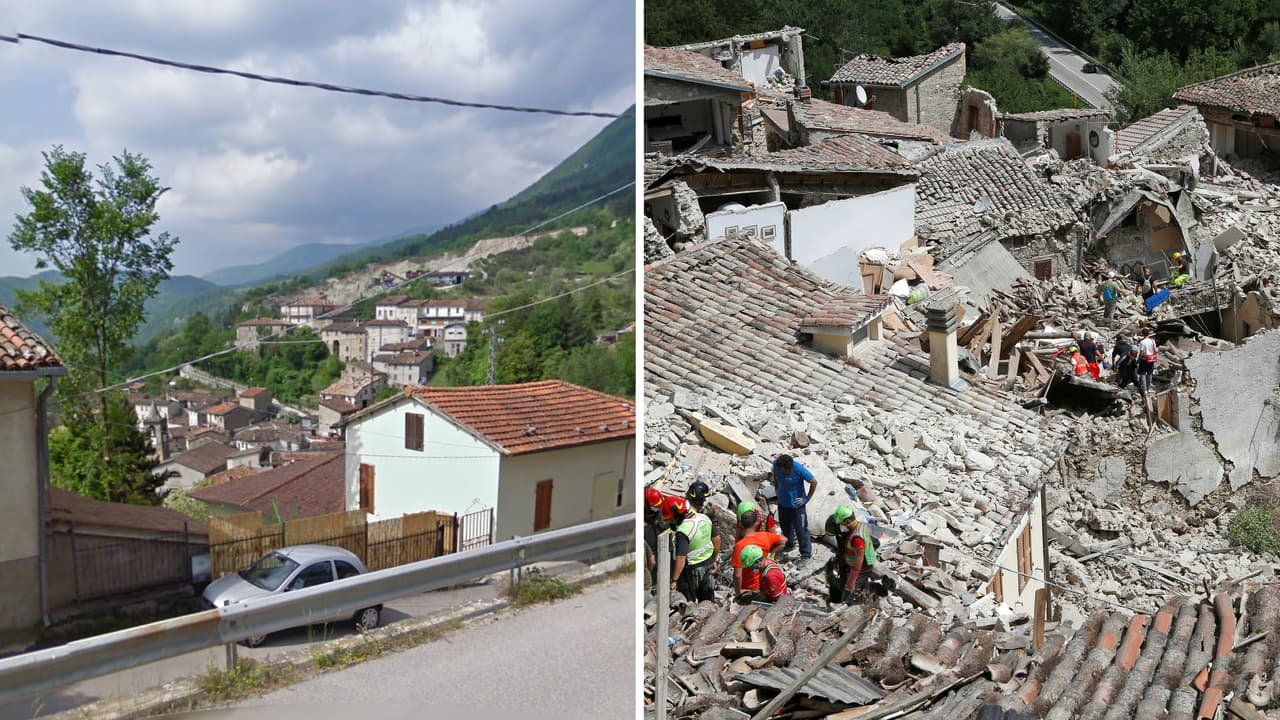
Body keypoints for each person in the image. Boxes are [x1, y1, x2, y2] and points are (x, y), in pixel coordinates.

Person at [663, 495, 720, 602]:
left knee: (689, 601)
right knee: (707, 599)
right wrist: (715, 560)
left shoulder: (683, 531)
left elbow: (681, 558)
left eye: (670, 519)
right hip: (708, 563)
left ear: (676, 516)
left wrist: (674, 580)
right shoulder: (704, 518)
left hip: (692, 570)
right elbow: (717, 540)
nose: (670, 522)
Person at [772, 454, 817, 559]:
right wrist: (776, 487)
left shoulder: (798, 468)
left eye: (789, 470)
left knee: (801, 530)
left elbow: (814, 482)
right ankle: (789, 545)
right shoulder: (776, 464)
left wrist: (806, 498)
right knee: (785, 527)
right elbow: (775, 475)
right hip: (783, 503)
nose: (787, 471)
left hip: (797, 506)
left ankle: (806, 554)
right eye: (785, 470)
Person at [730, 509, 785, 594]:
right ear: (756, 523)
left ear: (741, 524)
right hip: (764, 583)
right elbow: (783, 541)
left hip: (749, 587)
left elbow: (737, 575)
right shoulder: (764, 536)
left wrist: (738, 592)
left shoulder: (740, 546)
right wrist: (770, 553)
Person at [838, 512, 882, 602]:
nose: (842, 526)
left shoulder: (857, 537)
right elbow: (875, 542)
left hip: (861, 567)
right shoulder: (860, 525)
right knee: (862, 585)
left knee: (851, 590)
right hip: (866, 563)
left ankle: (849, 604)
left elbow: (860, 558)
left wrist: (853, 576)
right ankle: (865, 601)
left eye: (842, 524)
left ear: (847, 521)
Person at [644, 487, 666, 587]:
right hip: (649, 542)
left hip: (658, 543)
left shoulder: (657, 512)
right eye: (655, 507)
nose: (657, 509)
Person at [1137, 328, 1158, 394]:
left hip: (1144, 359)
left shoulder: (1142, 342)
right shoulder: (1152, 341)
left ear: (1143, 334)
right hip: (1151, 359)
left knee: (1142, 373)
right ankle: (1148, 388)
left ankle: (1144, 389)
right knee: (1149, 374)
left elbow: (1141, 353)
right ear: (1148, 334)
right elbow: (1155, 350)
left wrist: (1138, 360)